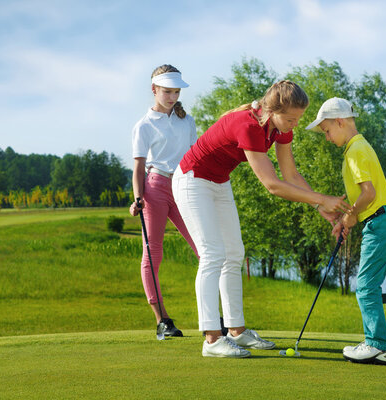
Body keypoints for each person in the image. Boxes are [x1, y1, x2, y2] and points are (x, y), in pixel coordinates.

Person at [172, 80, 351, 358]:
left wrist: (320, 207)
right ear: (273, 110)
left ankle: (237, 332)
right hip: (192, 180)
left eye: (298, 119)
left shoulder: (279, 130)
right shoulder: (248, 125)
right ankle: (211, 340)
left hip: (218, 182)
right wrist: (322, 199)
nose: (294, 124)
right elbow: (272, 184)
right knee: (213, 254)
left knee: (234, 253)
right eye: (290, 118)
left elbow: (290, 176)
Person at [306, 97, 386, 365]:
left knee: (367, 286)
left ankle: (377, 346)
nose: (326, 138)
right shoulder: (358, 146)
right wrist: (345, 216)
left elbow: (368, 194)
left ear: (340, 121)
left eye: (326, 131)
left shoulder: (355, 150)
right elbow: (362, 194)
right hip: (381, 219)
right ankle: (376, 344)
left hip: (380, 220)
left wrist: (351, 215)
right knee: (368, 284)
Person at [130, 64, 199, 338]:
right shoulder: (143, 125)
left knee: (204, 249)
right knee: (152, 255)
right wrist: (138, 197)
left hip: (184, 185)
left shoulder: (187, 121)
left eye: (176, 92)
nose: (172, 97)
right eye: (167, 91)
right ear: (154, 90)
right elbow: (138, 166)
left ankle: (217, 317)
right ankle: (163, 321)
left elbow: (195, 156)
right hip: (155, 187)